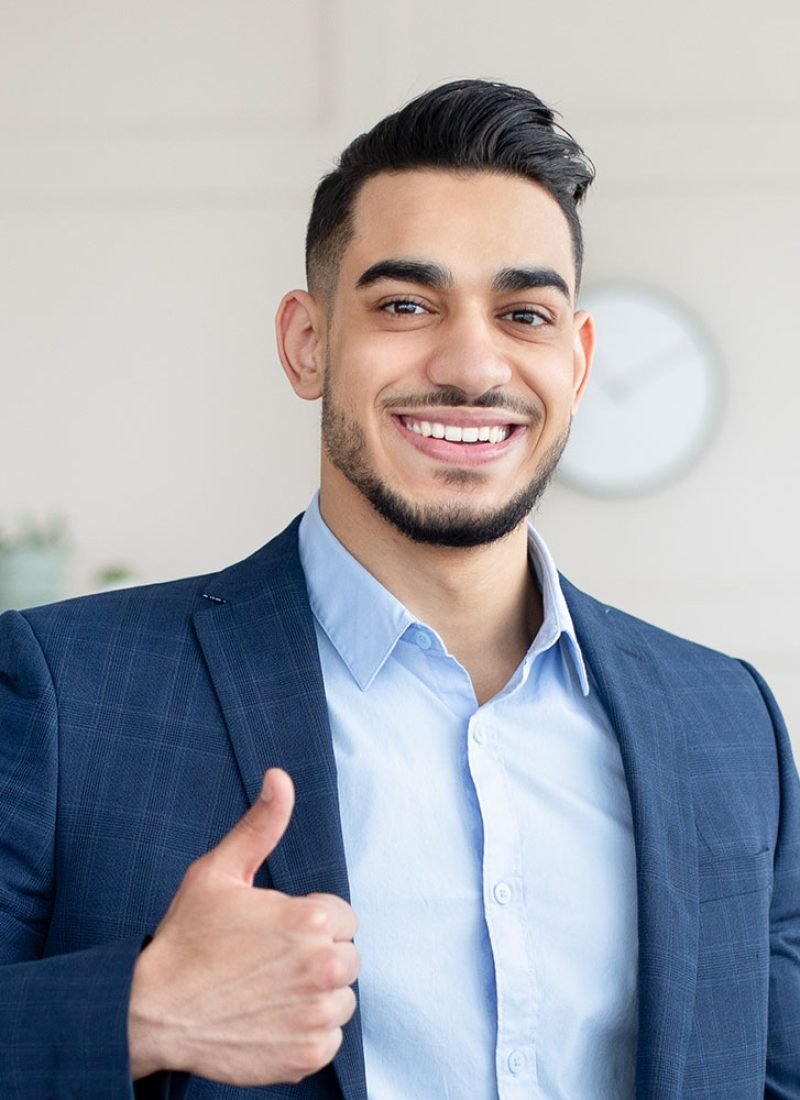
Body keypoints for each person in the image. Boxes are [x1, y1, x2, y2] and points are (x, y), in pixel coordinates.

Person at [0, 79, 798, 1100]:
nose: (471, 364)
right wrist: (138, 1012)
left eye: (522, 312)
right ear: (305, 342)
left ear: (577, 361)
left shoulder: (725, 717)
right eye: (405, 304)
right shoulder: (71, 690)